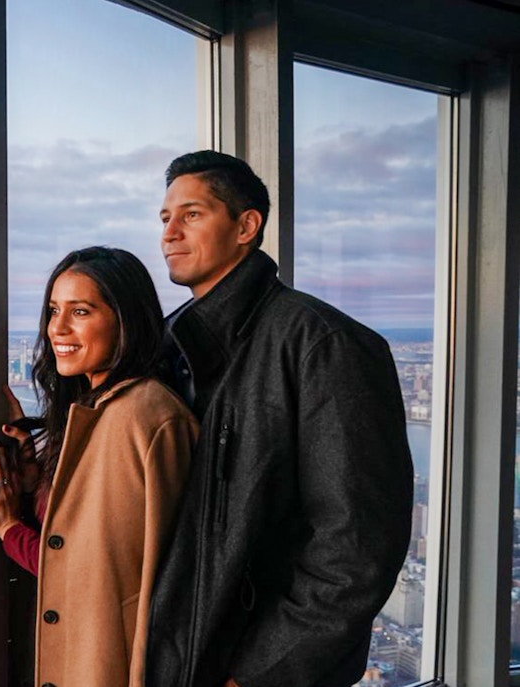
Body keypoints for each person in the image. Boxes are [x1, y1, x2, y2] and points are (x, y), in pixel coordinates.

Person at [145, 150, 414, 687]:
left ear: (247, 226)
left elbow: (356, 549)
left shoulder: (325, 345)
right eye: (165, 218)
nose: (169, 233)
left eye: (192, 214)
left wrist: (260, 675)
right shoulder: (166, 346)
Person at [0, 246, 198, 687]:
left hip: (108, 663)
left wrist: (10, 531)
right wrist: (38, 485)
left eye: (80, 311)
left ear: (125, 321)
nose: (57, 328)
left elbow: (94, 572)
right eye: (54, 310)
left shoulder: (142, 419)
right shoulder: (98, 408)